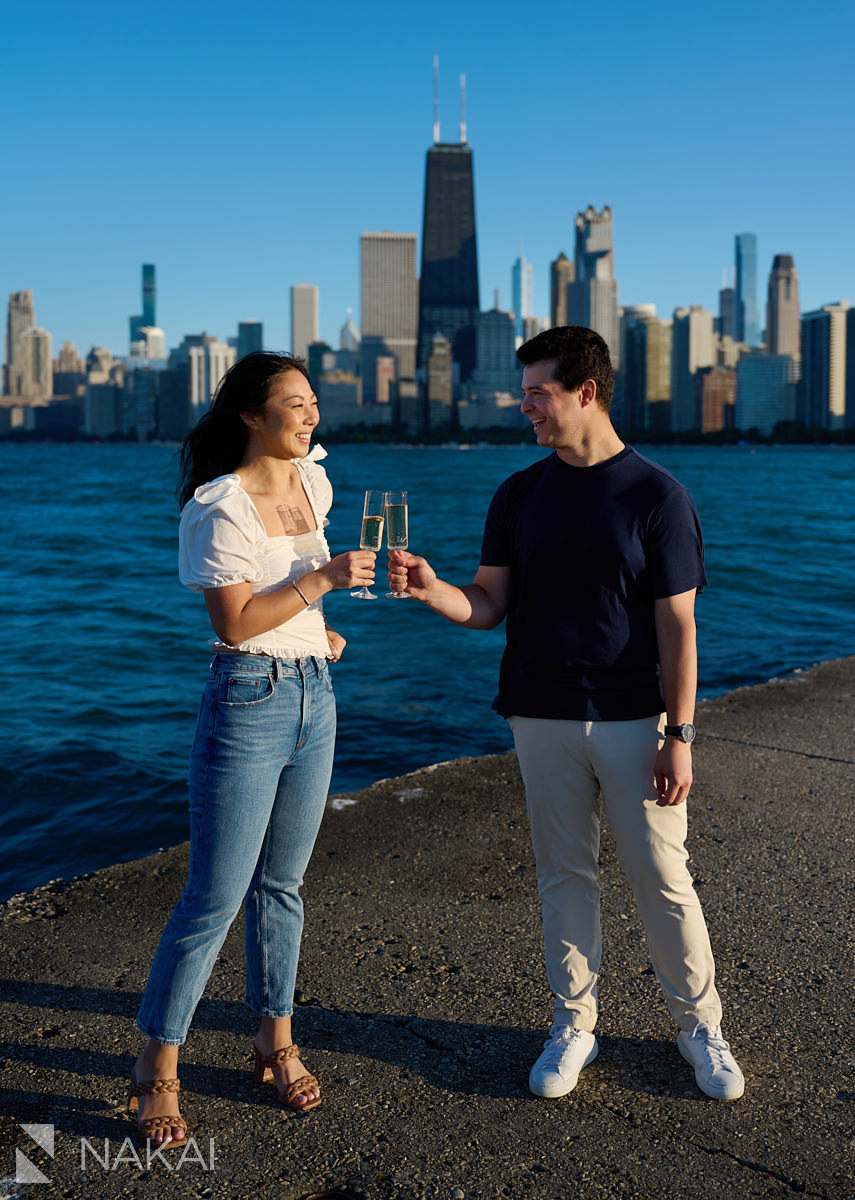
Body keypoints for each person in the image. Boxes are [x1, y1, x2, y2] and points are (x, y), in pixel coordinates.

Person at [388, 326, 744, 1103]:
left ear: (585, 392)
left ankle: (698, 1025)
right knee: (562, 877)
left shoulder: (656, 496)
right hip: (538, 712)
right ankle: (573, 1023)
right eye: (525, 396)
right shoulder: (518, 493)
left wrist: (678, 736)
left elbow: (676, 626)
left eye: (537, 395)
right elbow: (486, 607)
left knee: (661, 877)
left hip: (631, 718)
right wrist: (430, 589)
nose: (525, 410)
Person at [130, 352, 377, 1148]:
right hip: (247, 700)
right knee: (213, 897)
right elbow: (234, 623)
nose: (311, 416)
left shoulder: (315, 482)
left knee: (285, 886)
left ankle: (275, 1043)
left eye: (313, 403)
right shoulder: (219, 506)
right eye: (294, 405)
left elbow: (286, 599)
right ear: (249, 415)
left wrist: (319, 633)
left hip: (315, 693)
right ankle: (156, 1067)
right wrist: (327, 582)